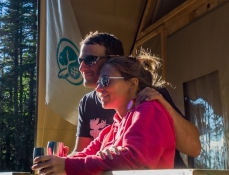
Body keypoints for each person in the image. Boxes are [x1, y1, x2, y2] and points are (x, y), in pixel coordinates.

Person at [32, 52, 176, 175]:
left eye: (105, 80)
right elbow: (85, 156)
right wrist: (58, 164)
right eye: (99, 82)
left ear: (132, 84)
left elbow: (135, 160)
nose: (98, 88)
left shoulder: (150, 110)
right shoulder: (111, 130)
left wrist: (67, 165)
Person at [74, 32, 201, 167]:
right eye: (80, 60)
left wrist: (165, 106)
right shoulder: (87, 102)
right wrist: (56, 165)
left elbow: (194, 148)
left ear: (114, 59)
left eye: (90, 60)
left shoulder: (150, 95)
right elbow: (81, 153)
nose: (82, 67)